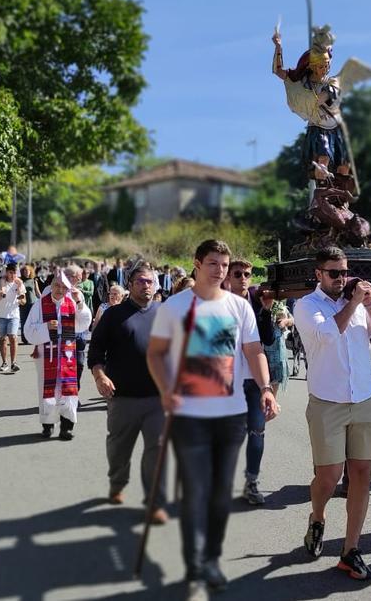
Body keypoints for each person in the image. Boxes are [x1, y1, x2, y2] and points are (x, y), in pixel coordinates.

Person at [146, 239, 279, 599]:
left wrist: (266, 388)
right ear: (196, 264)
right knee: (195, 492)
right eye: (213, 264)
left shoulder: (239, 307)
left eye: (223, 264)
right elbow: (156, 355)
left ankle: (211, 558)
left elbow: (254, 351)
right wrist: (164, 391)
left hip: (231, 414)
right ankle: (193, 563)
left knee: (220, 494)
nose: (219, 270)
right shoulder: (175, 307)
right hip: (189, 414)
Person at [293, 247, 371, 581]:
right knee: (329, 476)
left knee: (362, 473)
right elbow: (326, 335)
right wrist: (352, 303)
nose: (341, 278)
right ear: (318, 274)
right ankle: (318, 517)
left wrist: (369, 304)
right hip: (327, 402)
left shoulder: (360, 304)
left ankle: (351, 550)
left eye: (344, 272)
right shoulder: (307, 306)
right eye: (333, 273)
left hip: (364, 399)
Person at [88, 262, 169, 524]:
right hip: (122, 398)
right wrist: (100, 376)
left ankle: (154, 501)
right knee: (119, 449)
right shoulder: (114, 315)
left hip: (157, 397)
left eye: (150, 282)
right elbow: (96, 351)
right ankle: (117, 482)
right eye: (141, 281)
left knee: (157, 450)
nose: (146, 286)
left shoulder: (165, 314)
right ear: (130, 285)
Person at [225, 260, 277, 506]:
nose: (244, 278)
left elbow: (267, 339)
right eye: (238, 274)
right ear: (228, 277)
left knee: (257, 431)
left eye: (247, 274)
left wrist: (266, 310)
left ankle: (252, 482)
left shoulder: (256, 302)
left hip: (254, 379)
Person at [24, 264, 93, 440]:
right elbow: (28, 331)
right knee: (47, 390)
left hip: (67, 352)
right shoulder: (40, 305)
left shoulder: (72, 303)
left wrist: (80, 303)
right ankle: (47, 425)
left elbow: (84, 323)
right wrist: (45, 327)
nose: (60, 289)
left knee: (68, 390)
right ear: (51, 285)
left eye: (64, 287)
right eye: (57, 286)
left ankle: (66, 427)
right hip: (46, 352)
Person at [0, 264, 27, 374]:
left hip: (14, 315)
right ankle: (4, 362)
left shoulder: (19, 284)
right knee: (2, 339)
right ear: (6, 272)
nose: (13, 275)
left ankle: (14, 363)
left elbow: (24, 301)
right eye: (11, 272)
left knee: (13, 337)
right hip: (1, 315)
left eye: (15, 273)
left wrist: (20, 300)